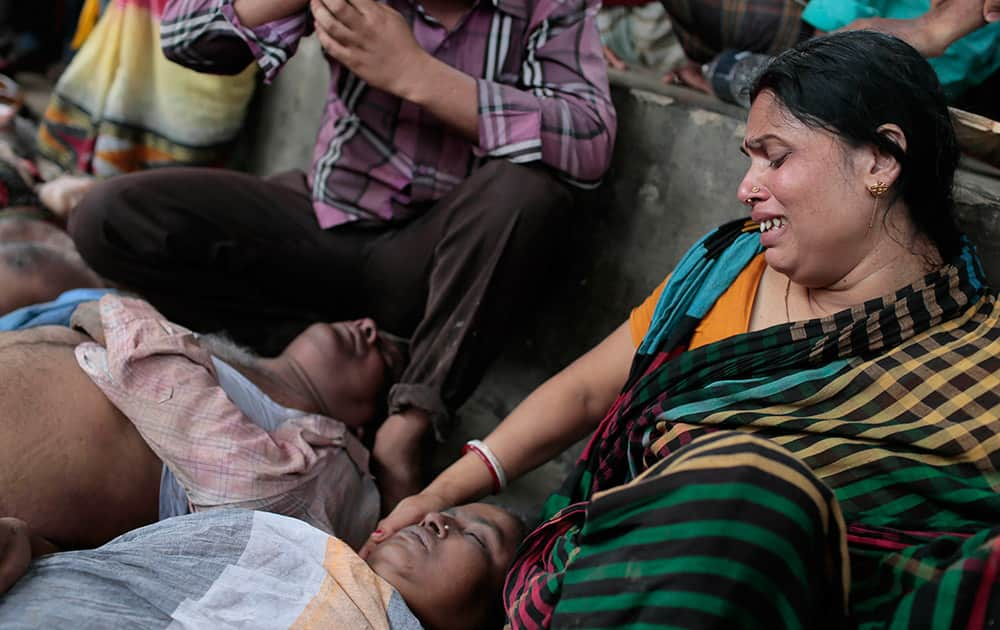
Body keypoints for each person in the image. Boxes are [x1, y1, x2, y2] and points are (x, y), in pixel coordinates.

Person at [368, 31, 1000, 627]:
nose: (747, 188)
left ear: (882, 161)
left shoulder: (978, 360)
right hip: (614, 580)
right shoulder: (728, 265)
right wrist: (440, 491)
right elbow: (588, 392)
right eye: (749, 159)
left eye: (775, 158)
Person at [67, 0, 616, 510]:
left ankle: (408, 425)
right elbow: (185, 35)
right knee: (109, 217)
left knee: (527, 191)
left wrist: (416, 74)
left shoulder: (549, 6)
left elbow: (589, 139)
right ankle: (302, 363)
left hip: (433, 266)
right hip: (324, 221)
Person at [0, 292, 406, 566]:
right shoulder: (167, 330)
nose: (367, 326)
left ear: (362, 430)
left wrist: (116, 319)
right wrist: (118, 319)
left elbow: (255, 495)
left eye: (386, 358)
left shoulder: (331, 468)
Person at [0, 503, 523, 629]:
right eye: (449, 511)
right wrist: (33, 547)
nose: (435, 518)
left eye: (478, 538)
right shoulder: (282, 541)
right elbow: (120, 573)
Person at [660, 0, 1000, 113]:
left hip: (876, 45)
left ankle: (750, 74)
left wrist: (930, 30)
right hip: (925, 57)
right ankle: (736, 72)